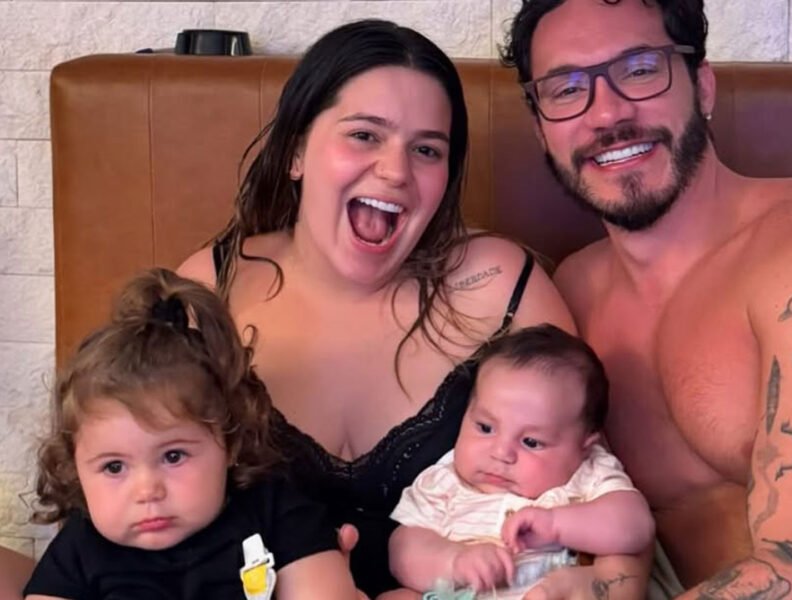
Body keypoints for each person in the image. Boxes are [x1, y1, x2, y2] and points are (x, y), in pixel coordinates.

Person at [501, 0, 792, 598]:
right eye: (567, 88)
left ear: (702, 86)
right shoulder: (567, 297)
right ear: (541, 130)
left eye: (639, 69)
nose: (606, 113)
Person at [176, 19, 615, 597]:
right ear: (297, 151)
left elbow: (603, 496)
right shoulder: (209, 291)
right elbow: (127, 481)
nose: (396, 171)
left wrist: (604, 588)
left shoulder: (502, 287)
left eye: (427, 150)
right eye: (364, 135)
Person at [22, 268, 355, 600]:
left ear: (229, 442)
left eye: (173, 456)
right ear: (75, 468)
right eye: (114, 466)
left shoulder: (275, 514)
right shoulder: (80, 549)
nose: (147, 491)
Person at [388, 324, 654, 597]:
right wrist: (453, 560)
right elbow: (403, 547)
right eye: (485, 427)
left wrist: (556, 526)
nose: (501, 453)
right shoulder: (445, 481)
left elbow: (636, 527)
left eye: (531, 442)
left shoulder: (588, 473)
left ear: (584, 446)